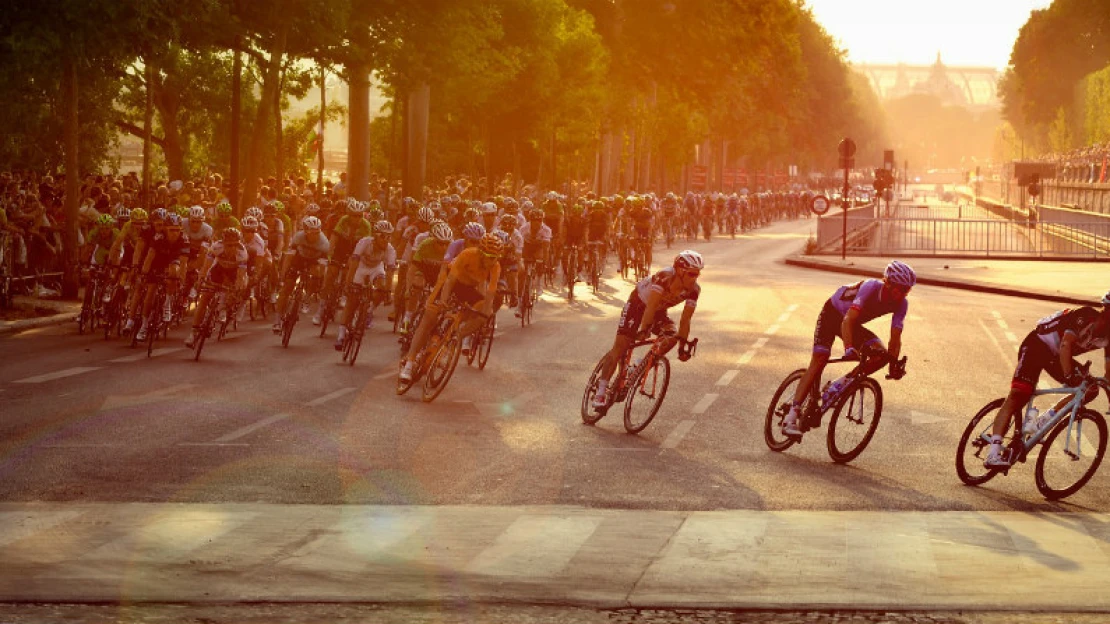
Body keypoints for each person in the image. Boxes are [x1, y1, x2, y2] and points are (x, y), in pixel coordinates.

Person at [782, 260, 915, 436]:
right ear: (888, 283)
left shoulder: (902, 304)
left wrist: (893, 363)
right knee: (820, 359)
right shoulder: (871, 287)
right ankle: (791, 415)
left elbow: (895, 337)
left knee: (881, 356)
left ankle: (842, 384)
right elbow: (848, 320)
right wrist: (849, 347)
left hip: (852, 324)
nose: (903, 294)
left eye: (907, 290)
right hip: (833, 315)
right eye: (900, 288)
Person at [984, 294, 1110, 467]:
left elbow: (1108, 375)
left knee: (1090, 390)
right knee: (1019, 394)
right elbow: (1065, 345)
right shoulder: (1086, 315)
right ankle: (992, 453)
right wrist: (1068, 376)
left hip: (1056, 356)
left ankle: (1043, 421)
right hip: (1038, 344)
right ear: (1106, 310)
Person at [592, 250, 703, 409]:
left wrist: (682, 347)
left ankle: (640, 365)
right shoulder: (664, 277)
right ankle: (601, 391)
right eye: (691, 274)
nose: (694, 279)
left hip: (658, 311)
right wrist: (644, 329)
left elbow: (685, 319)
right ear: (680, 270)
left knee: (672, 335)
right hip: (638, 305)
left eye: (697, 275)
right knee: (621, 345)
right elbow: (650, 307)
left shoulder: (694, 290)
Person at [400, 233, 503, 382]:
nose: (492, 261)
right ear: (481, 252)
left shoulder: (495, 267)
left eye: (496, 257)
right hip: (450, 282)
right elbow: (449, 280)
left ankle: (456, 336)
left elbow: (490, 293)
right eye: (489, 256)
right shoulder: (468, 254)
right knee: (430, 317)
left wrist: (485, 314)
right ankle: (409, 363)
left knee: (485, 311)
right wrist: (442, 301)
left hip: (467, 289)